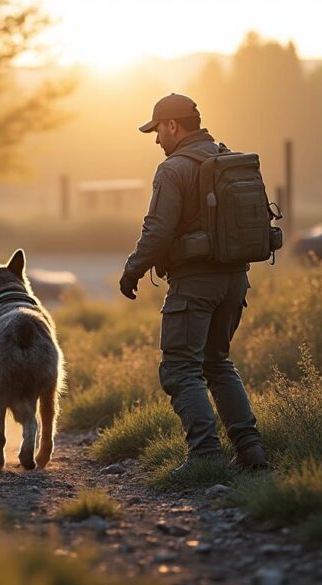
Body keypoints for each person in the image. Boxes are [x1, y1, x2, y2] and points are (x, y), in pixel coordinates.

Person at [118, 94, 267, 473]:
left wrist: (132, 270)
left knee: (181, 368)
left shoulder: (173, 169)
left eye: (157, 130)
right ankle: (251, 452)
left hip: (195, 283)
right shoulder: (223, 157)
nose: (156, 140)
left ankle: (204, 457)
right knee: (217, 363)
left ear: (173, 125)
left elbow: (157, 230)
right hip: (235, 279)